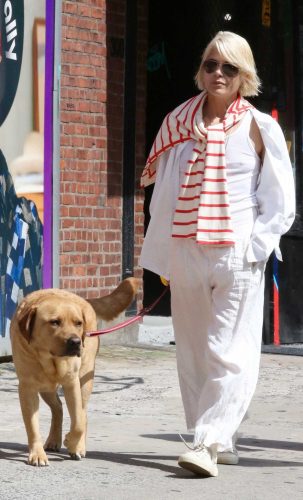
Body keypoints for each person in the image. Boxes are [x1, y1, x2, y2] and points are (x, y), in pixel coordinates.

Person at [139, 31, 295, 477]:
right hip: (186, 249)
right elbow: (163, 193)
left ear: (245, 75)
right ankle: (220, 437)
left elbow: (279, 199)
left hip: (235, 252)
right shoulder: (178, 122)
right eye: (211, 65)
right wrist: (165, 253)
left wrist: (257, 248)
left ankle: (206, 442)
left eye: (229, 67)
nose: (218, 74)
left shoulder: (258, 126)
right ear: (201, 70)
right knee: (191, 351)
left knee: (230, 351)